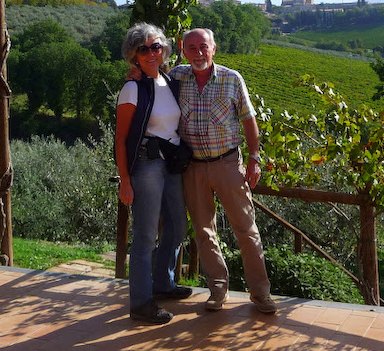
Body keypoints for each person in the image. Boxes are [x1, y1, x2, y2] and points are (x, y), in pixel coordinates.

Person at [171, 28, 277, 314]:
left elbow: (249, 120)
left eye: (203, 47)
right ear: (183, 50)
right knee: (204, 232)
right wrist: (134, 74)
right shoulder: (176, 77)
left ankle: (260, 293)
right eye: (191, 48)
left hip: (228, 164)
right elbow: (148, 79)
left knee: (246, 229)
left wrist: (254, 158)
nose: (198, 53)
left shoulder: (232, 79)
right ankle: (218, 291)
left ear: (213, 48)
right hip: (192, 168)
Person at [115, 23, 192, 324]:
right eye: (143, 48)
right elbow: (121, 139)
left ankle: (163, 282)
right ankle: (141, 302)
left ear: (164, 50)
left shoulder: (170, 82)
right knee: (145, 236)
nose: (151, 53)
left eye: (155, 46)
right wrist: (125, 180)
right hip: (146, 165)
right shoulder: (132, 88)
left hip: (170, 163)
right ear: (133, 55)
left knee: (177, 227)